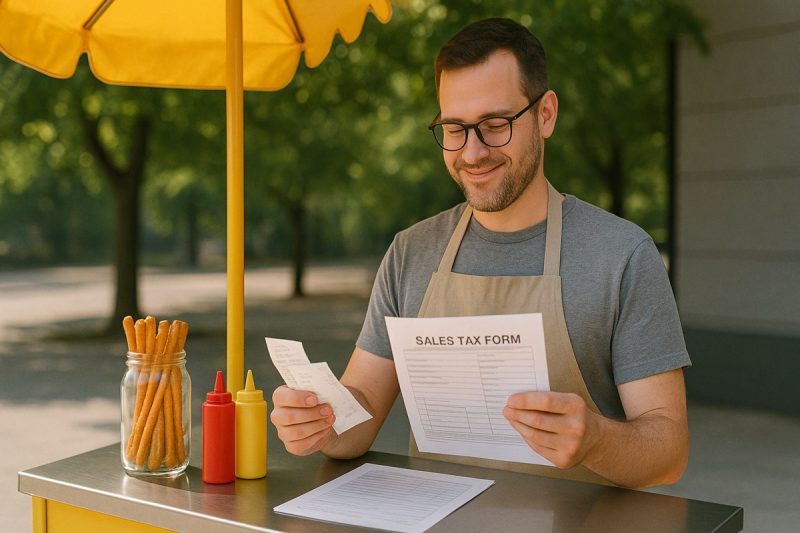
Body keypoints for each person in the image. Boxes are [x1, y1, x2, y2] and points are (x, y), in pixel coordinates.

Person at [270, 17, 690, 488]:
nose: (472, 153)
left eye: (495, 125)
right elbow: (361, 407)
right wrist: (323, 420)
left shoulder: (622, 254)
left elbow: (668, 452)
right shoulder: (411, 252)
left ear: (546, 114)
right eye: (454, 129)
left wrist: (595, 440)